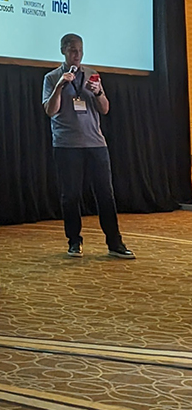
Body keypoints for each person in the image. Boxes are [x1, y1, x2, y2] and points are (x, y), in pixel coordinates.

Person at [42, 33, 134, 259]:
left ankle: (115, 243)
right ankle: (74, 242)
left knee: (105, 194)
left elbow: (105, 109)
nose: (78, 55)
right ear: (63, 50)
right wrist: (61, 86)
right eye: (73, 50)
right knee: (70, 196)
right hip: (67, 145)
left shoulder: (92, 75)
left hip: (95, 144)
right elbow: (50, 110)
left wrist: (99, 92)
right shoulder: (52, 77)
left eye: (81, 51)